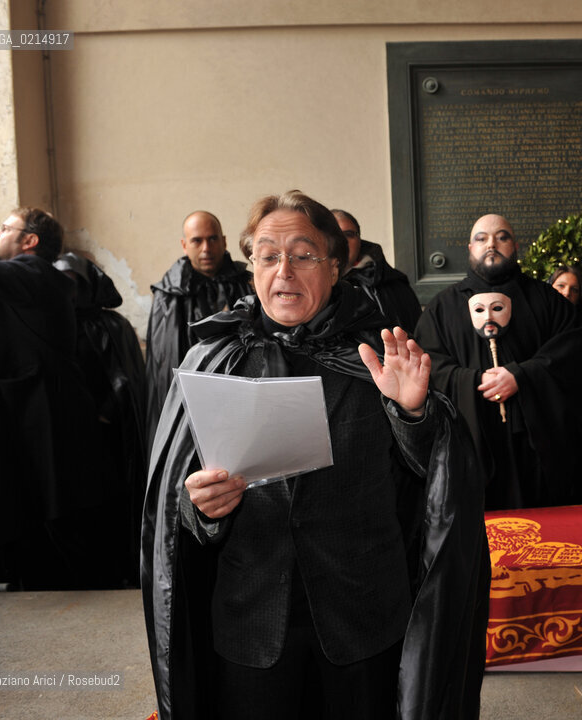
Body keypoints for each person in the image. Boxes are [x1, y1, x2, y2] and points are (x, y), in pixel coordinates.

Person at [141, 191, 487, 720]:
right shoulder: (213, 358)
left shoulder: (378, 354)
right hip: (250, 620)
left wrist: (413, 414)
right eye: (267, 254)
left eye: (303, 254)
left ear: (334, 266)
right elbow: (176, 505)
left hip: (363, 616)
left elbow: (431, 482)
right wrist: (201, 509)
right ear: (250, 265)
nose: (284, 270)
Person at [0, 209, 105, 589]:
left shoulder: (35, 274)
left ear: (30, 241)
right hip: (22, 432)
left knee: (57, 537)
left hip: (42, 433)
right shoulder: (9, 287)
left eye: (5, 229)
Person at [414, 214, 582, 509]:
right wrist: (474, 381)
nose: (491, 244)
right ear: (470, 247)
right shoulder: (442, 308)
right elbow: (430, 366)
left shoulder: (548, 300)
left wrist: (521, 376)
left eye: (501, 237)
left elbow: (569, 355)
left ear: (515, 245)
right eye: (482, 238)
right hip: (473, 446)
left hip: (535, 446)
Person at [55, 252, 148, 587]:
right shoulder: (50, 321)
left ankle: (117, 570)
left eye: (72, 282)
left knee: (112, 502)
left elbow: (129, 380)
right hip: (68, 435)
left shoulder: (112, 325)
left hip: (107, 435)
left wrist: (106, 413)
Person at [144, 211, 252, 438]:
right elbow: (163, 367)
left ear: (223, 241)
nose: (206, 248)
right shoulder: (169, 296)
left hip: (241, 402)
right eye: (197, 240)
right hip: (188, 406)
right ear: (185, 245)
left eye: (212, 239)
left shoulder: (248, 285)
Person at [332, 209, 423, 333]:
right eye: (334, 235)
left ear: (359, 240)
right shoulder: (312, 287)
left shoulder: (394, 284)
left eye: (348, 234)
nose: (342, 241)